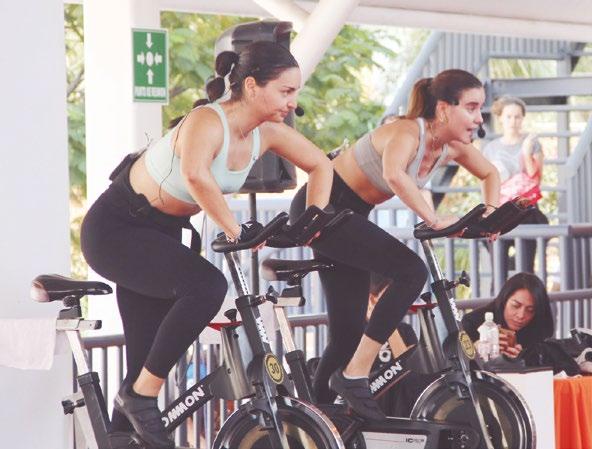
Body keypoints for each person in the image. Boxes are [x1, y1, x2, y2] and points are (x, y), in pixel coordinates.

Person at [80, 41, 333, 448]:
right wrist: (234, 229)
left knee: (142, 363)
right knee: (207, 286)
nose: (293, 102)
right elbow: (195, 174)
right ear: (251, 86)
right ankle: (141, 397)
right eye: (286, 91)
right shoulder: (207, 121)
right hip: (117, 229)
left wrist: (311, 222)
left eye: (295, 92)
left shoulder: (266, 133)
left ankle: (125, 424)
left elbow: (321, 165)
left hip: (161, 234)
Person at [290, 69, 500, 420]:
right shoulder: (407, 131)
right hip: (323, 205)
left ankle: (313, 421)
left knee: (347, 334)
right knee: (410, 271)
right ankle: (355, 374)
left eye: (481, 108)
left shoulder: (451, 147)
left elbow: (490, 173)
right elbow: (393, 173)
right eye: (472, 107)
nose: (480, 118)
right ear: (444, 109)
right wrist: (433, 218)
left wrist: (491, 216)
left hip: (351, 214)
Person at [483, 96, 549, 279]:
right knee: (498, 272)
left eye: (518, 116)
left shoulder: (532, 143)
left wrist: (526, 152)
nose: (513, 121)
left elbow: (536, 178)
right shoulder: (490, 148)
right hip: (500, 213)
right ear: (500, 118)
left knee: (526, 270)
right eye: (509, 116)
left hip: (526, 212)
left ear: (523, 118)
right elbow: (487, 182)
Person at [462, 272, 554, 357]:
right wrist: (475, 349)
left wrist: (526, 357)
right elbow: (457, 360)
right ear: (504, 299)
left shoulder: (538, 324)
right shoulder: (473, 321)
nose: (521, 315)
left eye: (530, 310)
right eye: (515, 306)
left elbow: (553, 357)